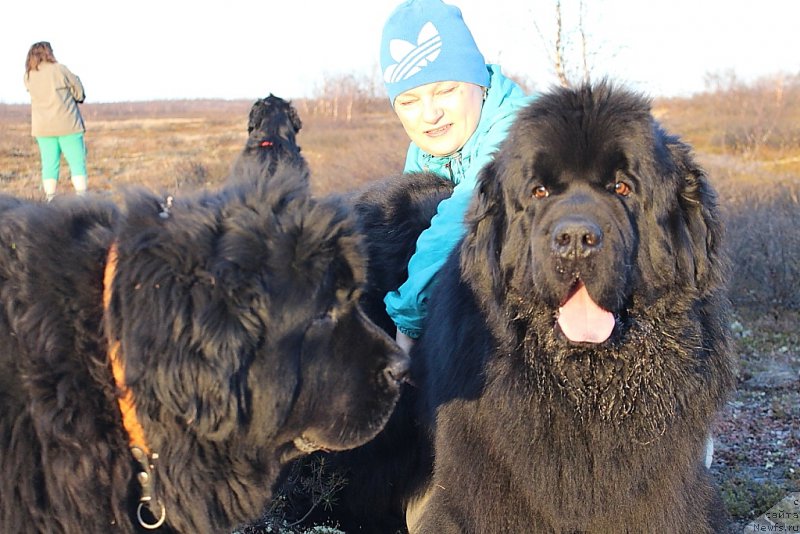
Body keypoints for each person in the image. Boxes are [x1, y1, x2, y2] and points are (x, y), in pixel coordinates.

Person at [379, 0, 534, 352]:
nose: (430, 114)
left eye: (446, 90)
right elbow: (409, 233)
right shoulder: (427, 150)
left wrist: (407, 322)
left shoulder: (515, 130)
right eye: (409, 101)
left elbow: (459, 219)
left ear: (479, 83)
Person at [24, 41, 88, 201]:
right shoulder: (60, 69)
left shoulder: (29, 75)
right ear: (49, 52)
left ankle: (50, 199)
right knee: (77, 163)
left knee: (49, 165)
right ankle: (82, 199)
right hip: (68, 125)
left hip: (43, 128)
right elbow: (79, 93)